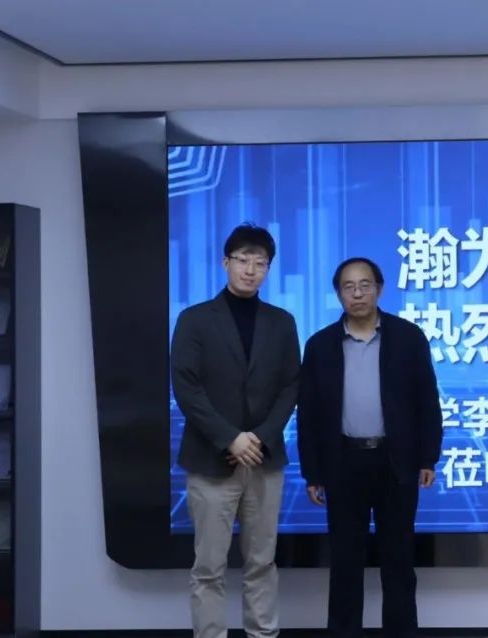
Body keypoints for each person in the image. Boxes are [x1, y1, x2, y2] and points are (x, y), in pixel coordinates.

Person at [297, 257, 443, 638]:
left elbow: (427, 401)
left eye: (365, 285)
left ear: (379, 289)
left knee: (399, 560)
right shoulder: (319, 346)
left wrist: (428, 457)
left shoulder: (408, 338)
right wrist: (312, 472)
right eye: (348, 287)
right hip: (343, 463)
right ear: (338, 294)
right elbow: (308, 413)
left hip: (396, 463)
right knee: (345, 562)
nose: (357, 293)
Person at [171, 223, 301, 638]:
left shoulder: (282, 322)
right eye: (242, 260)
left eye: (259, 263)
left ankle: (262, 634)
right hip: (211, 460)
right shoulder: (194, 319)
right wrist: (230, 437)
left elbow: (290, 385)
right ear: (225, 262)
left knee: (262, 563)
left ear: (268, 269)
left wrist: (259, 436)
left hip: (264, 459)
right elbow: (186, 386)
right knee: (209, 567)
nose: (250, 270)